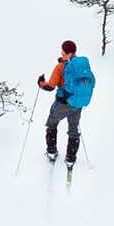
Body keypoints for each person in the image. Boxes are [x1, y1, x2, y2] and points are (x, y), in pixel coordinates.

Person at [36, 40, 96, 168]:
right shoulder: (82, 66)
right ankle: (70, 158)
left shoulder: (61, 66)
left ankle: (52, 152)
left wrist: (41, 83)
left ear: (64, 51)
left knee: (52, 124)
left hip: (62, 103)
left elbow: (50, 86)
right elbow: (92, 82)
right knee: (73, 129)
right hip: (77, 104)